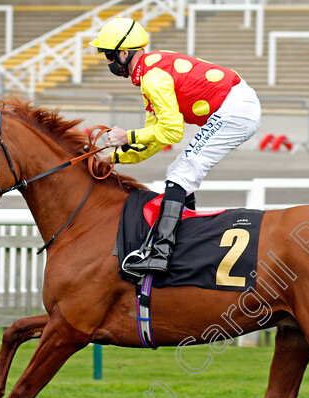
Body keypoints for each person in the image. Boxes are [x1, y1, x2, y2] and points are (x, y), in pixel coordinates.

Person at [90, 17, 262, 274]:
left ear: (124, 53)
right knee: (181, 169)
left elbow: (172, 132)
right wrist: (113, 159)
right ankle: (179, 244)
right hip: (235, 106)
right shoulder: (149, 73)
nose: (107, 62)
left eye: (108, 55)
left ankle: (162, 252)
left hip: (235, 110)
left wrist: (127, 137)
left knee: (183, 170)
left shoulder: (152, 78)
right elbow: (156, 137)